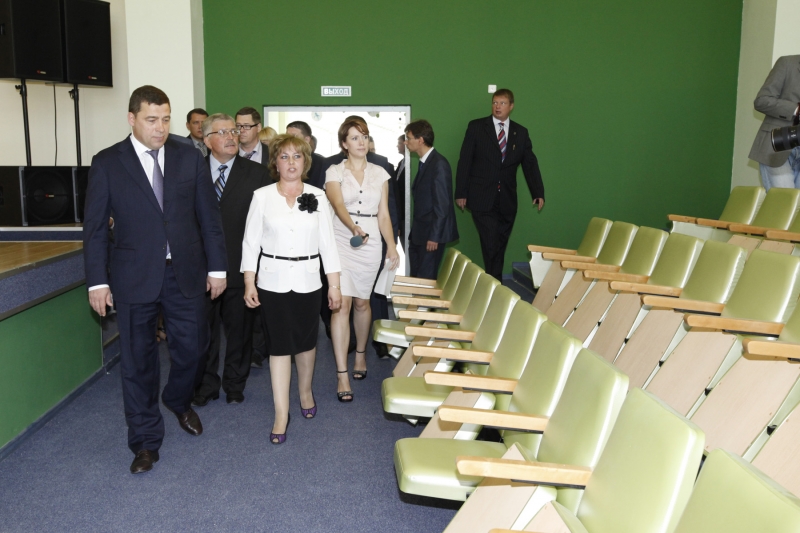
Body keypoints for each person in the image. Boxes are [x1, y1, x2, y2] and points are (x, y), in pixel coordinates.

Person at [83, 85, 227, 474]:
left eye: (165, 119)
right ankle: (145, 441)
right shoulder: (107, 162)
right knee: (137, 361)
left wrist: (217, 268)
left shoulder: (188, 156)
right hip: (132, 276)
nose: (160, 128)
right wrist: (97, 281)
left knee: (195, 348)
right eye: (151, 120)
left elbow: (208, 217)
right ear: (132, 119)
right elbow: (94, 228)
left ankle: (177, 399)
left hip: (186, 272)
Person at [242, 134, 341, 444]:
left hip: (309, 280)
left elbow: (328, 245)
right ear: (275, 162)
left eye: (297, 156)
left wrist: (334, 285)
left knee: (306, 342)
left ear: (305, 162)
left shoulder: (318, 196)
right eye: (284, 156)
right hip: (271, 281)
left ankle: (305, 391)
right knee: (279, 346)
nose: (291, 162)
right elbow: (250, 243)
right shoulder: (262, 197)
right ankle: (281, 413)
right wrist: (249, 280)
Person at [192, 113, 271, 407]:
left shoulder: (257, 174)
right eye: (222, 132)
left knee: (240, 331)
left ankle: (235, 384)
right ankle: (206, 384)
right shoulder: (192, 171)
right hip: (201, 268)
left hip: (241, 266)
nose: (231, 137)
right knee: (204, 332)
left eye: (233, 131)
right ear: (207, 139)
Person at [325, 119, 398, 399]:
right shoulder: (334, 171)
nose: (361, 142)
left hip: (371, 243)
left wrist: (392, 246)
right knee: (341, 305)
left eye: (364, 137)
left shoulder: (380, 173)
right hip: (341, 239)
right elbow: (337, 204)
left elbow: (384, 214)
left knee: (362, 303)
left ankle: (360, 354)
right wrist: (353, 227)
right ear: (344, 143)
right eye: (354, 138)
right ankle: (342, 374)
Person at [455, 88, 544, 280]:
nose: (497, 107)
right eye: (495, 102)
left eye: (502, 103)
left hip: (507, 200)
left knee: (499, 243)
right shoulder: (477, 127)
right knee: (491, 241)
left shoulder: (520, 132)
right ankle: (495, 282)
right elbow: (465, 161)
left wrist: (538, 192)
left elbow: (529, 163)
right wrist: (461, 192)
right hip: (481, 197)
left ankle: (493, 281)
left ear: (511, 106)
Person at [404, 120, 459, 278]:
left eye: (409, 138)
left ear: (420, 140)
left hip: (430, 237)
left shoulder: (439, 164)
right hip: (419, 235)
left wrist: (434, 237)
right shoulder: (425, 162)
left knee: (425, 280)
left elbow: (442, 205)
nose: (406, 142)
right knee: (416, 279)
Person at [749, 55, 800, 190]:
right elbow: (761, 101)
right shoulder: (787, 63)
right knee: (784, 200)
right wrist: (796, 109)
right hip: (778, 144)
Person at [286, 120, 326, 188]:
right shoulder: (281, 160)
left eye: (293, 136)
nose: (288, 140)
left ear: (307, 139)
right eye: (286, 137)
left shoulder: (321, 164)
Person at [394, 134, 407, 250]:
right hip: (400, 212)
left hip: (406, 212)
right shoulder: (401, 163)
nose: (397, 146)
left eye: (399, 143)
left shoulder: (410, 165)